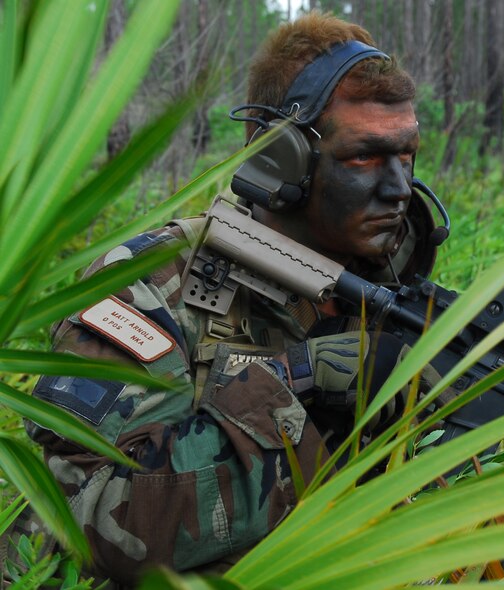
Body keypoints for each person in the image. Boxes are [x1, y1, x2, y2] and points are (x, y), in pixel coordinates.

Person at [16, 12, 442, 586]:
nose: (397, 188)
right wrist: (299, 380)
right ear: (279, 157)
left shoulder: (392, 286)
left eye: (406, 154)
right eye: (363, 157)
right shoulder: (148, 283)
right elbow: (86, 515)